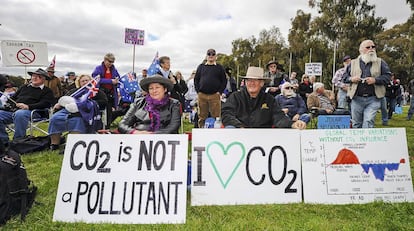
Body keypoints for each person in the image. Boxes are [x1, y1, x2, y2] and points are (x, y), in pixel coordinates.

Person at [221, 66, 306, 129]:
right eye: (249, 80)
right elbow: (226, 114)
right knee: (230, 128)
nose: (252, 83)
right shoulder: (235, 97)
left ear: (262, 83)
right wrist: (239, 126)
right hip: (239, 137)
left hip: (263, 140)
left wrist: (292, 124)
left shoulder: (270, 100)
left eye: (255, 81)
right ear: (245, 82)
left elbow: (279, 117)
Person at [48, 74, 108, 150]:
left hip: (86, 112)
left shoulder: (96, 92)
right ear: (79, 83)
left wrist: (88, 103)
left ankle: (72, 145)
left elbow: (104, 102)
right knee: (55, 118)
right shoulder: (74, 91)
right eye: (82, 81)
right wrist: (59, 103)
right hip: (68, 110)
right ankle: (54, 144)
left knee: (76, 120)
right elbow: (65, 100)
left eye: (87, 80)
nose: (85, 82)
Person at [343, 39, 392, 128]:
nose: (371, 49)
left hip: (373, 98)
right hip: (356, 98)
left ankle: (367, 142)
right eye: (368, 47)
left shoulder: (381, 62)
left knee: (368, 121)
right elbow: (344, 77)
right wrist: (351, 79)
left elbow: (388, 76)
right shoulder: (352, 63)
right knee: (356, 123)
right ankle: (357, 142)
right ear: (361, 50)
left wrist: (375, 80)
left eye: (373, 47)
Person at [0, 68, 54, 145]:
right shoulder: (24, 87)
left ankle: (18, 141)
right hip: (14, 111)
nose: (35, 78)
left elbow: (46, 103)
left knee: (20, 114)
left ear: (44, 79)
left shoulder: (47, 91)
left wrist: (28, 106)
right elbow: (12, 99)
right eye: (33, 76)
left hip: (34, 112)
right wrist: (11, 104)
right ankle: (3, 141)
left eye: (38, 76)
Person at [194, 48, 227, 128]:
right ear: (206, 56)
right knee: (202, 116)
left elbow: (224, 81)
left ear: (215, 56)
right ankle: (201, 131)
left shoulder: (220, 67)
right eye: (209, 54)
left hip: (215, 95)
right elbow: (196, 79)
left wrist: (220, 91)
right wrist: (198, 92)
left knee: (216, 116)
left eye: (213, 54)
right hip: (202, 95)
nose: (211, 56)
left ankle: (216, 133)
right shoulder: (201, 67)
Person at [92, 53, 120, 128]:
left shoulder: (114, 69)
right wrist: (110, 81)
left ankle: (107, 127)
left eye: (112, 62)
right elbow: (96, 79)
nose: (110, 63)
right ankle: (98, 127)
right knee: (99, 111)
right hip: (100, 93)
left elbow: (118, 77)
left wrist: (117, 80)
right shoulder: (98, 68)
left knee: (109, 112)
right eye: (109, 61)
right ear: (105, 60)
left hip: (111, 94)